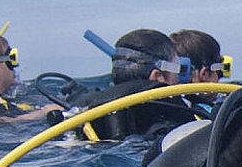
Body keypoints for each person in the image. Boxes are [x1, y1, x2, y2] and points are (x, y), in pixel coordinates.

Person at [71, 29, 200, 140]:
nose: (178, 79)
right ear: (157, 76)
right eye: (177, 70)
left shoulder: (85, 110)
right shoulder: (171, 113)